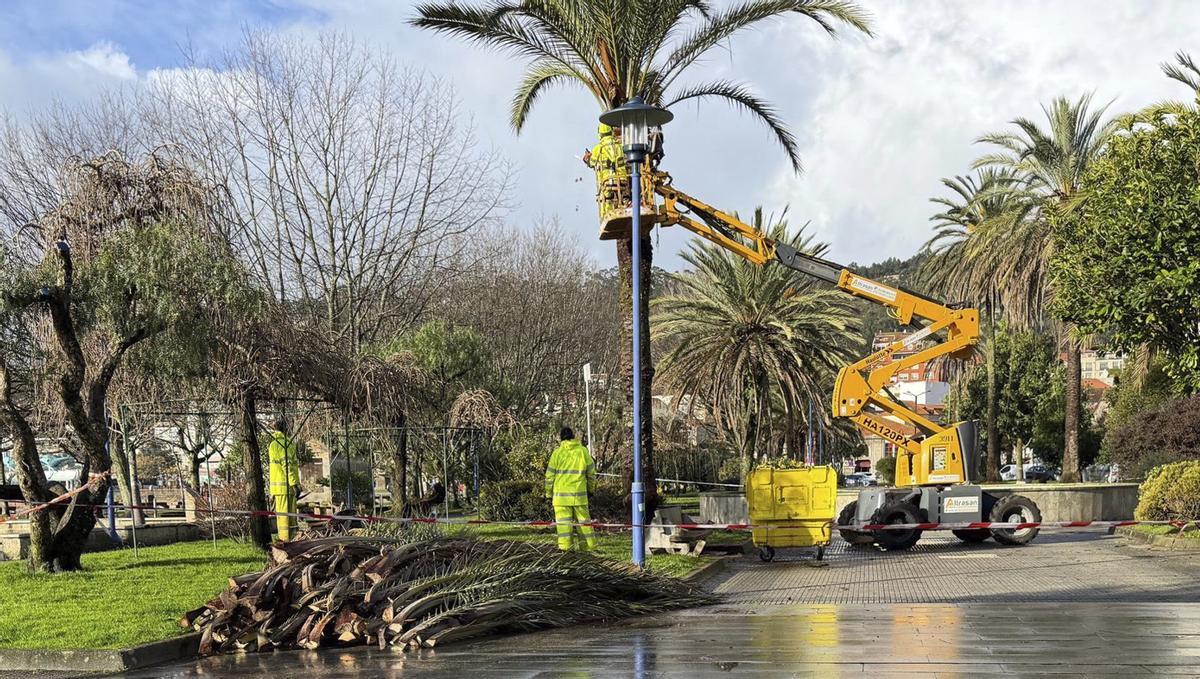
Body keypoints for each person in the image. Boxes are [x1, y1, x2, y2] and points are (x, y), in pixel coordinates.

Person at [545, 426, 597, 551]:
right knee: (584, 525)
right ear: (573, 437)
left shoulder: (557, 453)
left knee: (564, 528)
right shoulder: (583, 451)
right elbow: (591, 473)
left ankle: (565, 551)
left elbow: (549, 476)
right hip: (579, 496)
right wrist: (591, 490)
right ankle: (589, 550)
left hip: (561, 498)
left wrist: (548, 494)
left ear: (561, 438)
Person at [267, 417, 300, 541]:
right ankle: (287, 544)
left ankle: (290, 542)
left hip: (282, 489)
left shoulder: (275, 444)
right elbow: (287, 465)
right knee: (286, 521)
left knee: (287, 520)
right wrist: (295, 484)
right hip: (285, 488)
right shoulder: (283, 444)